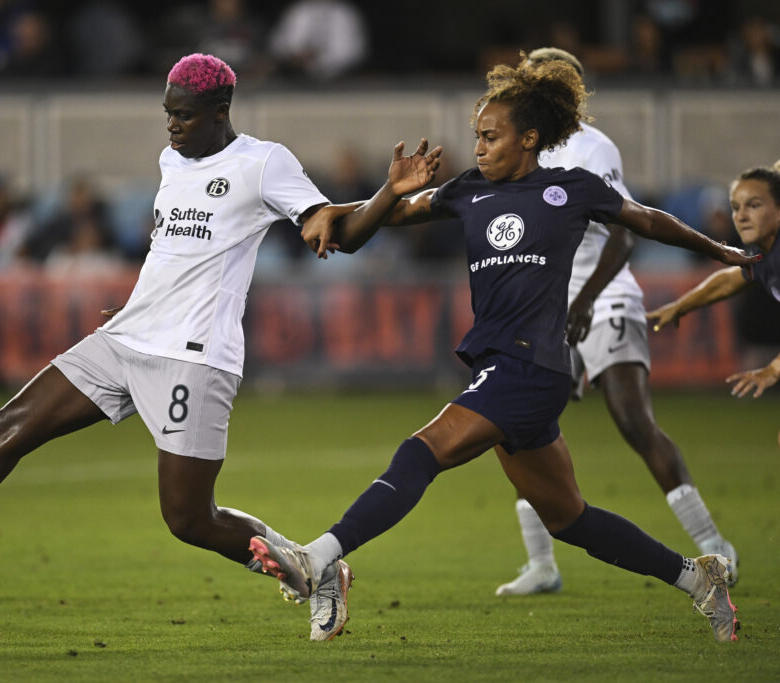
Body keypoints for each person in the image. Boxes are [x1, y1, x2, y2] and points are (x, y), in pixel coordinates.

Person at [0, 53, 354, 642]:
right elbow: (175, 256)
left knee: (189, 518)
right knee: (8, 428)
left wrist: (392, 198)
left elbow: (333, 223)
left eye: (183, 115)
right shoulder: (173, 161)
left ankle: (314, 570)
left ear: (221, 112)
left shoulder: (264, 163)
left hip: (193, 358)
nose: (170, 125)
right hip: (124, 340)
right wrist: (142, 307)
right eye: (167, 113)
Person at [250, 54, 755, 643]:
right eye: (477, 137)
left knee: (421, 451)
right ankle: (699, 579)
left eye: (491, 137)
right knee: (571, 519)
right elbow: (362, 233)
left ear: (529, 138)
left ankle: (318, 557)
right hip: (505, 365)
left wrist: (718, 250)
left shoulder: (571, 189)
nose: (480, 148)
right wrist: (389, 190)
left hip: (531, 363)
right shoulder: (465, 191)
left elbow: (647, 220)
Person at [494, 47, 737, 598]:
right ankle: (542, 565)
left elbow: (624, 232)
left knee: (633, 421)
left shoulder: (591, 146)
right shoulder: (522, 144)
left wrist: (584, 301)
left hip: (603, 303)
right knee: (519, 427)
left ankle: (716, 546)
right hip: (547, 308)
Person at [647, 164, 780, 399]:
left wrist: (773, 369)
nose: (741, 217)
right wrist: (681, 306)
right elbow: (729, 281)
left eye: (754, 206)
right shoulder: (765, 253)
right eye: (736, 208)